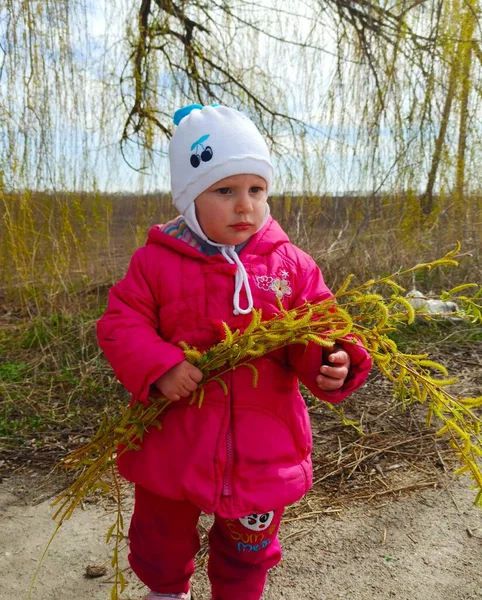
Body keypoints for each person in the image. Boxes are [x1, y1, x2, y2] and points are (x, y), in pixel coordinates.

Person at [97, 104, 372, 600]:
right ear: (189, 197)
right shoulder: (156, 262)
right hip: (172, 441)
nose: (244, 206)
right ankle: (166, 591)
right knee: (160, 536)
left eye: (255, 190)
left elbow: (321, 325)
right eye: (224, 191)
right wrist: (159, 366)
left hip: (262, 452)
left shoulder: (291, 265)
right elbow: (120, 323)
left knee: (249, 550)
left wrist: (334, 360)